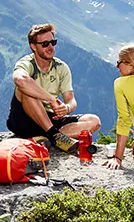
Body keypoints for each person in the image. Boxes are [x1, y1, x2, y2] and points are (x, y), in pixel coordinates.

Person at [6, 23, 100, 152]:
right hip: (23, 119)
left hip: (50, 117)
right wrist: (51, 100)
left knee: (94, 121)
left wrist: (66, 109)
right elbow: (20, 80)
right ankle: (54, 135)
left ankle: (49, 137)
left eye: (52, 42)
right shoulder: (27, 63)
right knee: (26, 90)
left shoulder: (61, 67)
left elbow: (71, 100)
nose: (50, 47)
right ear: (33, 46)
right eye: (45, 44)